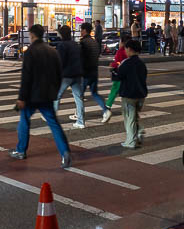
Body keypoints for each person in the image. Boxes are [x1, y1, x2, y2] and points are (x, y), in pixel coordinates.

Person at [9, 24, 71, 169]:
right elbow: (58, 74)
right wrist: (54, 92)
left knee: (24, 121)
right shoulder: (52, 51)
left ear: (32, 35)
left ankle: (21, 150)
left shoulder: (30, 52)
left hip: (31, 96)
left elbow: (26, 77)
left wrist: (21, 98)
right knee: (54, 124)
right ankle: (65, 152)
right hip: (47, 95)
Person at [114, 39, 147, 149]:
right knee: (135, 117)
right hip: (141, 94)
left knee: (129, 119)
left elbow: (118, 76)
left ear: (129, 49)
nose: (125, 51)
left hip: (129, 95)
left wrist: (113, 71)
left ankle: (131, 141)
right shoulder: (142, 64)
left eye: (126, 49)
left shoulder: (126, 63)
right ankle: (139, 132)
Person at [78, 22, 110, 123]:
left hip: (85, 72)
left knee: (79, 95)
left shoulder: (83, 42)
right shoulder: (95, 42)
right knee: (95, 93)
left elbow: (81, 58)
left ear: (84, 30)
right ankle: (105, 110)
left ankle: (79, 115)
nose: (80, 32)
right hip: (94, 71)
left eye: (81, 30)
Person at [54, 25, 84, 128]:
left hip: (66, 75)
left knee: (56, 96)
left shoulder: (62, 45)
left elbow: (60, 61)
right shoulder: (75, 44)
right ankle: (80, 122)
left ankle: (52, 118)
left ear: (62, 34)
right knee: (78, 98)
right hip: (77, 74)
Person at [105, 35, 129, 115]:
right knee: (124, 91)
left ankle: (108, 105)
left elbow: (118, 62)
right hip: (127, 74)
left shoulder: (121, 51)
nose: (119, 43)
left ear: (122, 42)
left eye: (120, 41)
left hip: (118, 73)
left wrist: (112, 65)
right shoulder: (128, 51)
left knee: (114, 89)